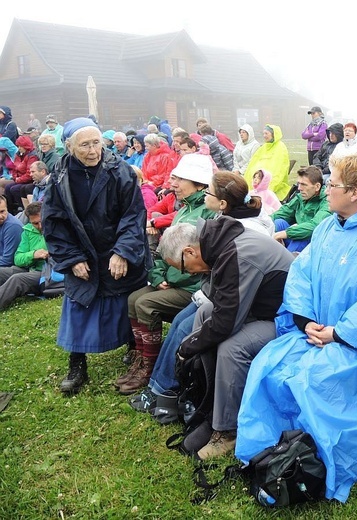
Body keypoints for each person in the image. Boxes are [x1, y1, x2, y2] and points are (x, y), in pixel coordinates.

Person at [235, 154, 357, 502]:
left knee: (317, 380)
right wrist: (306, 321)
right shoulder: (327, 227)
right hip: (317, 334)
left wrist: (339, 334)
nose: (326, 189)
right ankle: (269, 452)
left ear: (354, 192)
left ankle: (315, 462)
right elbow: (302, 276)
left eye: (333, 184)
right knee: (270, 363)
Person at [128, 171, 279, 417]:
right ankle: (161, 387)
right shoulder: (222, 224)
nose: (205, 195)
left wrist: (188, 345)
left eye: (209, 191)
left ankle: (173, 393)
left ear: (222, 202)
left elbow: (230, 306)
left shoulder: (244, 232)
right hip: (230, 298)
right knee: (181, 322)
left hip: (258, 307)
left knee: (191, 328)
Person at [42, 117, 151, 395]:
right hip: (82, 251)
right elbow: (55, 222)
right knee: (79, 303)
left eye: (96, 143)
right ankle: (77, 362)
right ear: (68, 147)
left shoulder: (121, 171)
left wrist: (123, 252)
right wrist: (71, 258)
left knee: (125, 300)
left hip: (114, 248)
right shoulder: (59, 176)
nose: (93, 151)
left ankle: (133, 347)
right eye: (84, 145)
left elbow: (133, 215)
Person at [116, 153, 216, 395]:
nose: (173, 184)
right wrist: (159, 275)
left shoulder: (208, 214)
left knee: (147, 304)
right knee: (132, 299)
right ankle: (142, 356)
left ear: (199, 184)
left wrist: (172, 278)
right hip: (170, 280)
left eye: (180, 179)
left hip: (191, 287)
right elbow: (163, 250)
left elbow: (203, 263)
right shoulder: (182, 210)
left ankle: (149, 366)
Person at [271, 165, 331, 253]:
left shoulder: (327, 201)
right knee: (278, 222)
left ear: (317, 186)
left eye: (303, 184)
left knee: (301, 238)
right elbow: (283, 212)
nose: (299, 188)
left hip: (313, 242)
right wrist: (263, 222)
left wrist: (286, 233)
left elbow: (314, 226)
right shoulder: (301, 197)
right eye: (299, 183)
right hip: (296, 233)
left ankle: (285, 262)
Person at [0, 202, 48, 310]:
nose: (40, 226)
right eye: (35, 223)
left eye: (42, 221)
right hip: (29, 268)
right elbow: (17, 259)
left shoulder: (56, 230)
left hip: (47, 273)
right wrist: (33, 254)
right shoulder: (27, 231)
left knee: (17, 279)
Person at [243, 124, 291, 200]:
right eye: (263, 133)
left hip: (270, 182)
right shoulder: (263, 147)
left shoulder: (280, 148)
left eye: (266, 133)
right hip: (256, 179)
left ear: (273, 134)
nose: (264, 136)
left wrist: (269, 187)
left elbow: (280, 170)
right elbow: (252, 164)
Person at [2, 135, 39, 215]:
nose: (19, 148)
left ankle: (22, 208)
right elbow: (14, 168)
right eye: (18, 146)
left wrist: (19, 179)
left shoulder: (32, 156)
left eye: (20, 146)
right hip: (19, 179)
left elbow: (29, 173)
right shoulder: (18, 154)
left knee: (14, 189)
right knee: (8, 188)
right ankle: (10, 210)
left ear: (26, 146)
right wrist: (15, 177)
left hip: (29, 180)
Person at [0, 195, 23, 271]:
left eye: (2, 211)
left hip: (11, 268)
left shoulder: (13, 226)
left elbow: (7, 260)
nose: (0, 216)